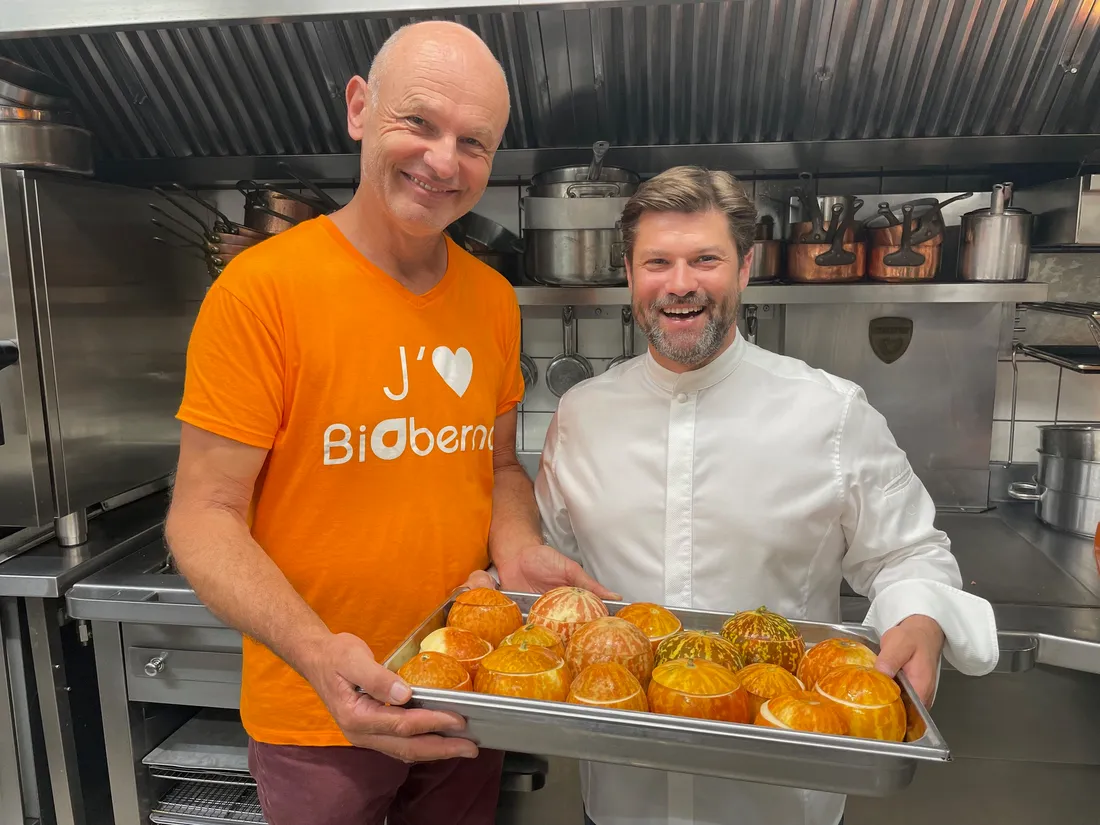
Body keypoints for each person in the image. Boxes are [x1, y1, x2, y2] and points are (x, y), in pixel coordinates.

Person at [164, 21, 609, 825]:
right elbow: (203, 515)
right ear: (359, 108)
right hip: (319, 713)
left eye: (473, 142)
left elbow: (497, 466)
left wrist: (515, 546)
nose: (443, 161)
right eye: (420, 122)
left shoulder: (491, 300)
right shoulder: (261, 291)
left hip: (467, 686)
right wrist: (317, 654)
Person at [531, 166, 1000, 825]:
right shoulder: (581, 415)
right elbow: (547, 569)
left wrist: (920, 616)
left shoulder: (831, 413)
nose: (681, 283)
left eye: (706, 259)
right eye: (658, 262)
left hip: (780, 799)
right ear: (631, 275)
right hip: (621, 796)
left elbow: (908, 553)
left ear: (745, 268)